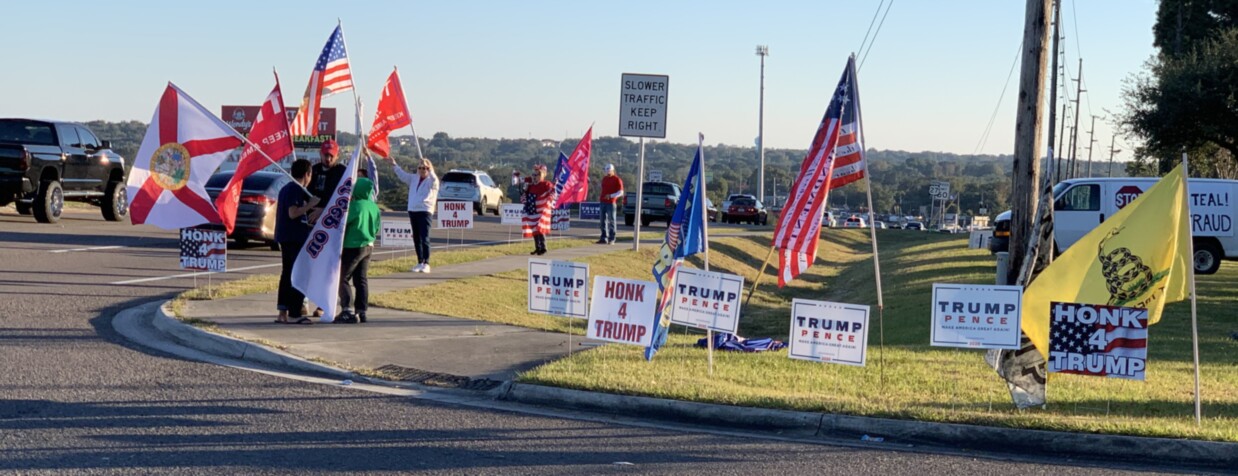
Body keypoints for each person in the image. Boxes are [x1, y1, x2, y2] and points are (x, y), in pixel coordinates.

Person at [275, 159, 319, 325]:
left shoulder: (288, 188)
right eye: (310, 175)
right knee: (298, 275)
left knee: (287, 274)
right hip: (293, 238)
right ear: (307, 174)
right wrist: (310, 205)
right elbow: (293, 213)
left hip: (290, 235)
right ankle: (294, 312)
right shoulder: (295, 189)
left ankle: (282, 311)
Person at [336, 177, 381, 324]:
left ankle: (347, 309)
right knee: (361, 279)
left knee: (342, 278)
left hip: (353, 245)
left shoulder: (355, 206)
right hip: (369, 245)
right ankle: (362, 311)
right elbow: (377, 227)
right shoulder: (374, 207)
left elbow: (343, 224)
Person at [388, 156, 439, 273]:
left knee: (424, 237)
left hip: (425, 211)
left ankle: (426, 262)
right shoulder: (414, 178)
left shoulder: (432, 181)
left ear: (429, 169)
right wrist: (394, 165)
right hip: (413, 210)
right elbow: (402, 175)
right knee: (416, 238)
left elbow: (435, 179)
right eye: (420, 168)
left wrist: (429, 167)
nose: (422, 170)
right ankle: (420, 261)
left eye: (425, 168)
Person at [522, 164, 554, 255]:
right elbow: (525, 195)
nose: (534, 177)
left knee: (540, 228)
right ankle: (537, 247)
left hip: (541, 210)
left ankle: (543, 247)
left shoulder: (545, 184)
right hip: (532, 209)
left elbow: (552, 191)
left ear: (542, 175)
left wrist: (549, 198)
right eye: (533, 175)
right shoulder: (530, 186)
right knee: (534, 229)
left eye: (536, 175)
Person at [598, 163, 624, 244]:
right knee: (602, 221)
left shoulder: (617, 179)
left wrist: (611, 196)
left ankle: (612, 238)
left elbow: (621, 192)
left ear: (613, 171)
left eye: (609, 171)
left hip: (611, 203)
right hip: (603, 202)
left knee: (612, 221)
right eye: (607, 171)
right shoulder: (604, 179)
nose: (608, 172)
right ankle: (603, 237)